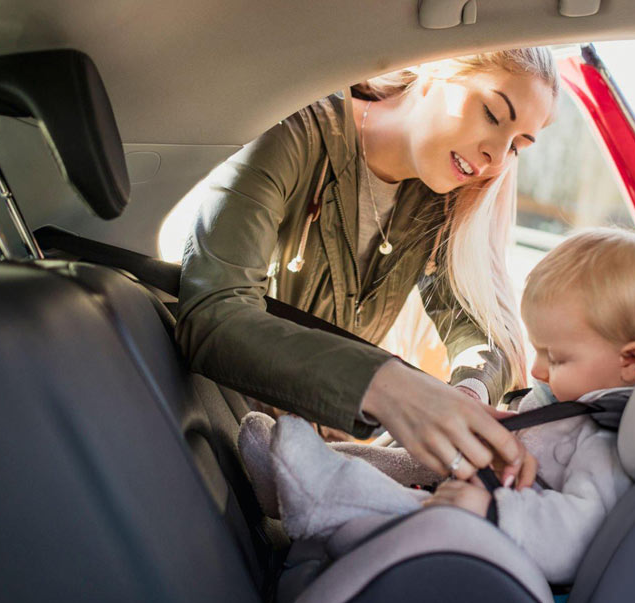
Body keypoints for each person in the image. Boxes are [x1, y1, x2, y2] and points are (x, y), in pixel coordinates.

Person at [175, 49, 559, 483]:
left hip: (310, 452)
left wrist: (468, 394)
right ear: (436, 68)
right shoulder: (294, 134)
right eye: (491, 113)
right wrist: (385, 386)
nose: (496, 155)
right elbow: (212, 315)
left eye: (518, 146)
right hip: (222, 432)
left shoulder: (440, 195)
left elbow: (477, 330)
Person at [238, 228, 635, 583]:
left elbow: (577, 536)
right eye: (538, 350)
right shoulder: (578, 395)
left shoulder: (609, 441)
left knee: (401, 505)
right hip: (481, 482)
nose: (539, 370)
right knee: (406, 459)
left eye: (557, 358)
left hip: (487, 537)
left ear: (631, 361)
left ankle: (311, 486)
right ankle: (294, 474)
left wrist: (489, 512)